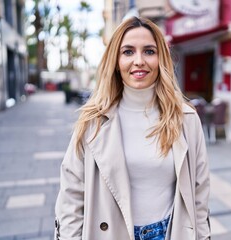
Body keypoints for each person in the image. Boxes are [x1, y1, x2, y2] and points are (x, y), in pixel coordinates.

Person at [54, 17, 210, 240]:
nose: (139, 61)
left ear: (161, 59)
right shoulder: (93, 121)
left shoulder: (186, 118)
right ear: (116, 61)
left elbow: (200, 193)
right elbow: (71, 197)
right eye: (128, 52)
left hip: (169, 232)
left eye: (149, 51)